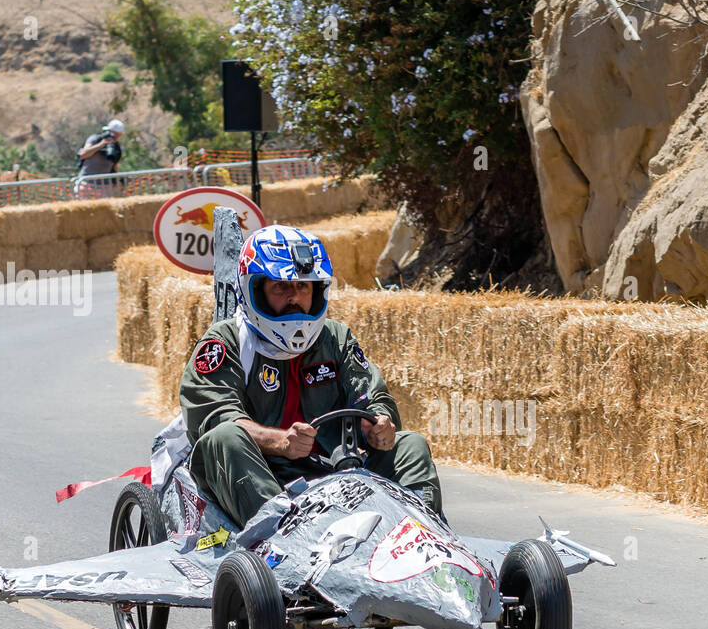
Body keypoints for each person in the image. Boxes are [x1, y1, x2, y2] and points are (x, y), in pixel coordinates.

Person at [180, 224, 443, 529]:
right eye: (281, 286)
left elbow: (371, 394)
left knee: (410, 444)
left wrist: (378, 423)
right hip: (262, 475)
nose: (295, 297)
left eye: (304, 287)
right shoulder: (225, 342)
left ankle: (424, 535)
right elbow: (215, 417)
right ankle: (280, 537)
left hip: (336, 468)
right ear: (253, 290)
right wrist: (280, 442)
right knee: (224, 438)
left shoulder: (336, 337)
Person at [76, 119, 124, 198]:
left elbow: (115, 165)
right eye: (114, 134)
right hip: (86, 182)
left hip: (105, 185)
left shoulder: (115, 146)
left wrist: (117, 181)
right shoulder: (95, 139)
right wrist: (101, 144)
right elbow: (83, 154)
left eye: (118, 135)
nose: (115, 137)